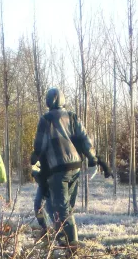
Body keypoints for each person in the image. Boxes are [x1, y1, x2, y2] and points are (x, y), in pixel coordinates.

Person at [32, 88, 100, 248]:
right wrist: (92, 158)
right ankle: (63, 237)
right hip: (75, 165)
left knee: (61, 205)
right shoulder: (72, 116)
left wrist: (35, 162)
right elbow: (84, 139)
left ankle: (71, 242)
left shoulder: (46, 119)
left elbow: (39, 146)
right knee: (67, 204)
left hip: (58, 167)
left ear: (48, 101)